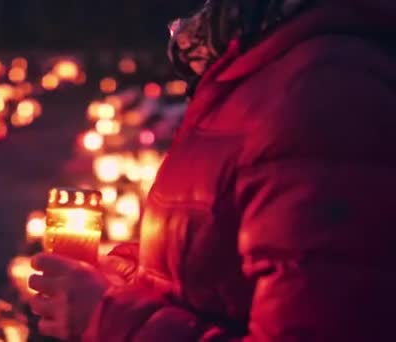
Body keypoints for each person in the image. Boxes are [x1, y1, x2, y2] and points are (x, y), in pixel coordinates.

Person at [29, 0, 396, 340]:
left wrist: (110, 318)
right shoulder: (256, 58)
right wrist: (130, 276)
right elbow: (225, 266)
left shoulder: (329, 88)